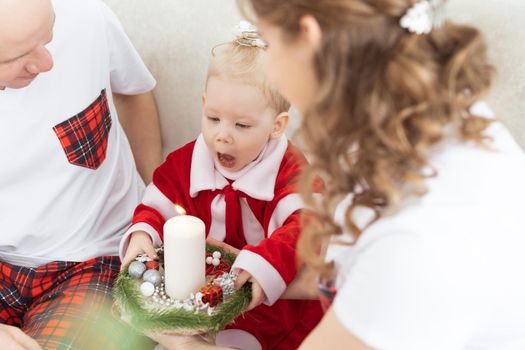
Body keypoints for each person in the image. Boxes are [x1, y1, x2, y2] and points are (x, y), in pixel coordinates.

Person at [154, 0, 525, 349]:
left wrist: (179, 340)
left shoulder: (419, 238)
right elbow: (343, 275)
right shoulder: (416, 118)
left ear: (307, 36)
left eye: (267, 40)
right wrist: (253, 276)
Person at [120, 24, 323, 350]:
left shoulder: (291, 172)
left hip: (269, 306)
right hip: (196, 295)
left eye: (241, 125)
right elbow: (155, 205)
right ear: (203, 104)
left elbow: (305, 228)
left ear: (277, 126)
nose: (222, 135)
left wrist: (259, 265)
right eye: (213, 118)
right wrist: (143, 234)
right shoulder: (186, 162)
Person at [0, 0, 162, 348]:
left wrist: (154, 201)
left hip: (96, 258)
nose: (47, 63)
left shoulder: (86, 14)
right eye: (13, 58)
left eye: (49, 33)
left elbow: (134, 93)